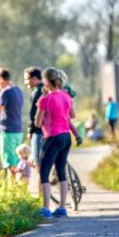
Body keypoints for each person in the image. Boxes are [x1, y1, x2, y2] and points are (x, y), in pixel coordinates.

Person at [35, 68, 75, 218]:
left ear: (45, 81)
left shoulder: (44, 99)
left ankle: (45, 209)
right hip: (66, 136)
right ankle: (62, 208)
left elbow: (38, 123)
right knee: (61, 171)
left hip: (52, 137)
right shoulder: (66, 96)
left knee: (44, 172)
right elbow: (73, 115)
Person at [0, 67, 24, 180]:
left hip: (8, 131)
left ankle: (11, 188)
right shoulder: (18, 90)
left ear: (1, 79)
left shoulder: (5, 92)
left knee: (9, 162)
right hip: (19, 130)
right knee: (17, 159)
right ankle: (19, 187)